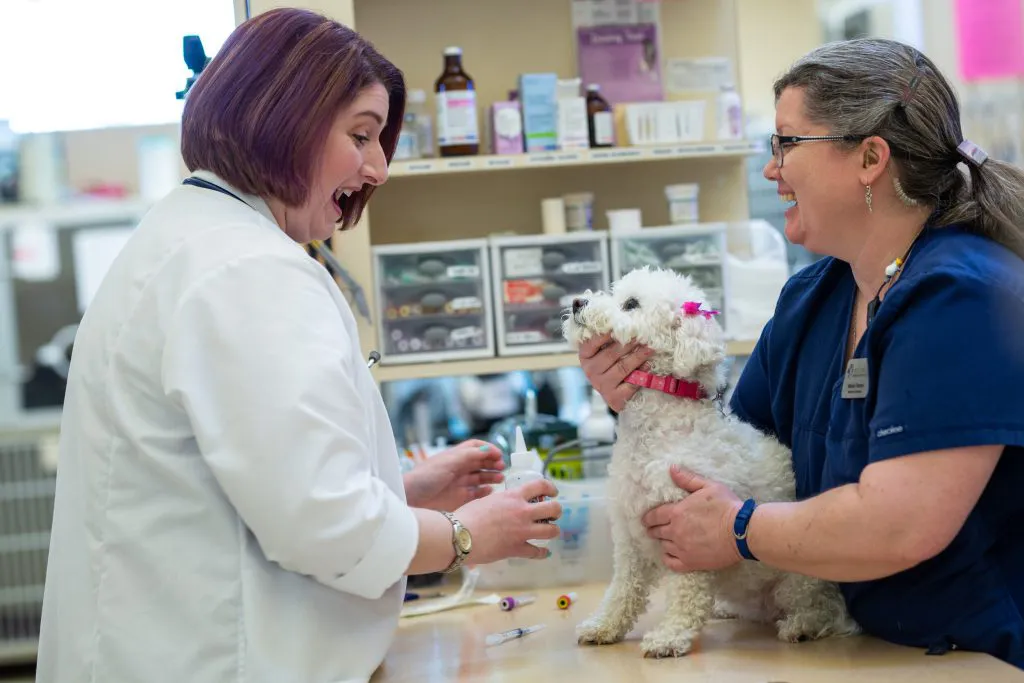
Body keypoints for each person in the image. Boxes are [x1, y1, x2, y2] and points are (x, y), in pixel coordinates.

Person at [36, 9, 561, 683]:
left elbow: (253, 483)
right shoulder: (250, 270)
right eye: (361, 135)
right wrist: (465, 535)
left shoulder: (188, 236)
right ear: (285, 118)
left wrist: (406, 490)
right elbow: (321, 522)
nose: (378, 169)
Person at [579, 37, 1024, 667]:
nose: (771, 168)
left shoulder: (962, 299)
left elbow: (901, 524)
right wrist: (642, 391)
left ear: (871, 157)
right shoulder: (812, 300)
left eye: (788, 143)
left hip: (973, 656)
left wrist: (738, 531)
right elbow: (730, 455)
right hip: (856, 646)